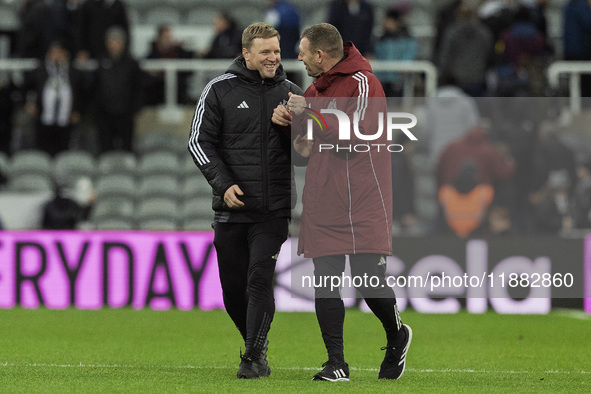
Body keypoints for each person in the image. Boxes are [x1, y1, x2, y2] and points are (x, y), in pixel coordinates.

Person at [272, 23, 412, 382]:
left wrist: (311, 115)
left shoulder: (365, 84)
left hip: (362, 200)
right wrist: (290, 125)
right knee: (325, 280)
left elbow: (354, 136)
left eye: (303, 52)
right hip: (323, 198)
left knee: (368, 281)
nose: (299, 58)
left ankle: (397, 334)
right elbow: (303, 153)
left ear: (320, 54)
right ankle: (336, 363)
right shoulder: (313, 89)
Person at [187, 22, 303, 379]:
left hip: (272, 209)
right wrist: (222, 185)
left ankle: (252, 356)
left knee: (258, 280)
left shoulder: (294, 94)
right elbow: (198, 142)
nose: (273, 58)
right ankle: (257, 343)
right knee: (233, 290)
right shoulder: (218, 90)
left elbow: (308, 156)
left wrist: (295, 125)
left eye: (277, 51)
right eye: (265, 52)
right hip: (230, 209)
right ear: (247, 53)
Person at [24, 40, 84, 156]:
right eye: (54, 53)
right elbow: (25, 87)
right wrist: (28, 104)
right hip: (44, 119)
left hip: (66, 120)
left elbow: (83, 94)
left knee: (64, 153)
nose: (56, 56)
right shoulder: (40, 71)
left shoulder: (74, 73)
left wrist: (78, 111)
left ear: (66, 54)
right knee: (42, 153)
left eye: (60, 53)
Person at [92, 26, 143, 153]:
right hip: (104, 114)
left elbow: (138, 87)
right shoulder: (101, 61)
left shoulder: (132, 63)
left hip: (125, 113)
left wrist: (135, 108)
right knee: (105, 147)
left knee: (126, 147)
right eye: (111, 41)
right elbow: (95, 87)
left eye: (117, 41)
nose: (114, 45)